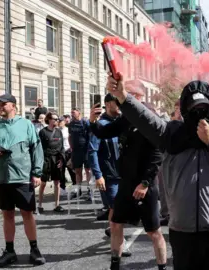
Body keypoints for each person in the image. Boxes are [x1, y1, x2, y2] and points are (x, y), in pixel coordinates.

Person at [106, 73, 209, 269]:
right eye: (194, 108)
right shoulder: (170, 135)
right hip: (184, 235)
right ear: (185, 108)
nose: (198, 112)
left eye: (203, 108)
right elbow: (144, 118)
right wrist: (122, 96)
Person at [90, 88, 166, 270]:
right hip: (126, 183)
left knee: (153, 231)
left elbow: (157, 155)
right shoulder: (126, 118)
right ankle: (115, 265)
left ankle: (162, 267)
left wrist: (145, 183)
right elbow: (104, 132)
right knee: (115, 224)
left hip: (144, 186)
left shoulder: (149, 117)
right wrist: (93, 121)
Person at [0, 93, 45, 268]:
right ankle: (9, 251)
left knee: (27, 214)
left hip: (23, 177)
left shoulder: (26, 125)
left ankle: (34, 250)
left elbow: (36, 149)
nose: (0, 107)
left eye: (4, 104)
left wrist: (37, 173)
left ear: (13, 106)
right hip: (2, 178)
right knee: (7, 214)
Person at [88, 94, 132, 257]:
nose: (119, 104)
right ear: (107, 104)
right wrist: (98, 175)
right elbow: (92, 151)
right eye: (115, 101)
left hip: (124, 174)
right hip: (109, 175)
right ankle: (120, 243)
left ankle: (112, 229)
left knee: (122, 209)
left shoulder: (122, 122)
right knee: (116, 208)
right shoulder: (101, 125)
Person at [37, 112, 66, 213]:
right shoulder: (42, 132)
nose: (57, 121)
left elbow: (62, 147)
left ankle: (57, 205)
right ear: (49, 119)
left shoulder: (59, 132)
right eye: (55, 119)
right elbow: (38, 148)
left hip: (56, 159)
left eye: (57, 119)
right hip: (46, 159)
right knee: (43, 183)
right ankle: (39, 205)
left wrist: (62, 160)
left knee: (57, 182)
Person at [68, 108, 91, 196]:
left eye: (73, 112)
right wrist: (71, 147)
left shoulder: (85, 123)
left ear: (79, 113)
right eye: (71, 113)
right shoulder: (71, 124)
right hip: (76, 151)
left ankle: (89, 190)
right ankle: (78, 190)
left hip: (85, 150)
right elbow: (70, 136)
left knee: (88, 170)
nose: (72, 114)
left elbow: (90, 136)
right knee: (77, 171)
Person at [58, 117, 75, 194]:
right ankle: (62, 187)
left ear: (64, 122)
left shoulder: (68, 129)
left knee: (71, 169)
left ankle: (75, 186)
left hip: (68, 151)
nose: (59, 123)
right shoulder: (57, 130)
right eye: (59, 121)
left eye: (61, 121)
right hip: (60, 153)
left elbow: (71, 139)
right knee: (61, 171)